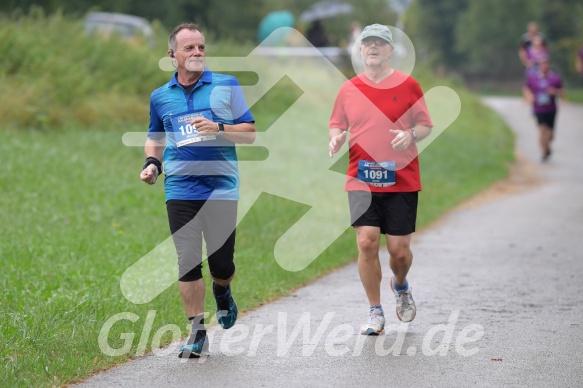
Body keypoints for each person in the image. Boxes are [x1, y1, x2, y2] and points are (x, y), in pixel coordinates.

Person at [140, 23, 256, 358]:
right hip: (180, 185)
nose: (197, 53)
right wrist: (152, 163)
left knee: (221, 263)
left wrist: (219, 127)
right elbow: (156, 136)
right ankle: (197, 333)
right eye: (189, 48)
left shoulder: (225, 85)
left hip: (221, 185)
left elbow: (249, 133)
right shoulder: (161, 96)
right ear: (172, 55)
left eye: (201, 47)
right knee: (187, 259)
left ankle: (223, 291)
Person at [328, 24, 433, 335]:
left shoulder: (409, 85)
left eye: (380, 43)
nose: (373, 48)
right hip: (361, 178)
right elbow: (337, 125)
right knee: (366, 242)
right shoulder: (348, 90)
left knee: (399, 252)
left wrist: (410, 134)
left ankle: (400, 285)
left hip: (402, 179)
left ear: (390, 51)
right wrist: (335, 139)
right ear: (360, 50)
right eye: (367, 43)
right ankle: (375, 311)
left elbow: (426, 126)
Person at [523, 56, 565, 162]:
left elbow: (562, 91)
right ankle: (544, 151)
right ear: (539, 66)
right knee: (542, 130)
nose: (544, 66)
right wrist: (529, 96)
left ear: (549, 65)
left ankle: (547, 146)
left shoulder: (555, 77)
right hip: (538, 108)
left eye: (546, 64)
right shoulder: (533, 77)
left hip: (551, 108)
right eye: (542, 64)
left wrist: (554, 91)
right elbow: (526, 88)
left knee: (550, 134)